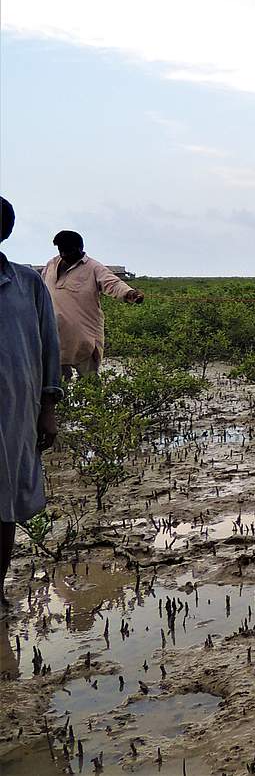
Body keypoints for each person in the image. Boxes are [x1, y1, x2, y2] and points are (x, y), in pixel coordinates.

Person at [0, 197, 63, 610]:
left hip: (13, 415)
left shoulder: (27, 283)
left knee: (4, 504)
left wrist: (47, 407)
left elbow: (48, 348)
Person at [41, 230, 143, 380]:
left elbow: (113, 283)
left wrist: (130, 293)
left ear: (80, 249)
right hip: (55, 336)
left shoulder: (94, 268)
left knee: (90, 383)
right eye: (61, 251)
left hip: (85, 338)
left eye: (68, 251)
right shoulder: (51, 265)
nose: (63, 255)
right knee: (56, 386)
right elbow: (39, 288)